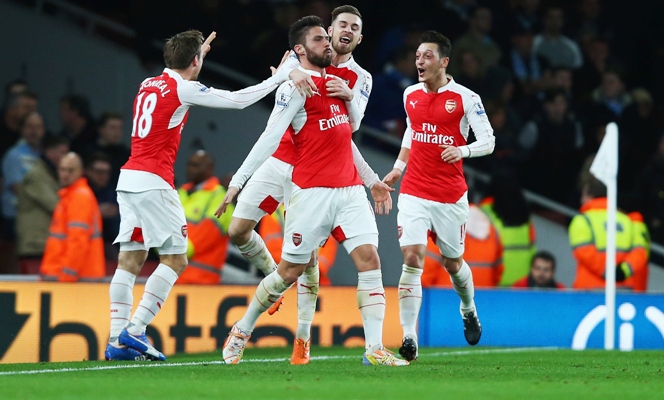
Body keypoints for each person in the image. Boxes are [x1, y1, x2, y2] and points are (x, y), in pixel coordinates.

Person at [105, 29, 313, 362]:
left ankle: (116, 338)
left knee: (131, 258)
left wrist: (194, 56)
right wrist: (280, 77)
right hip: (154, 181)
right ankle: (137, 329)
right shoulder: (183, 87)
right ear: (195, 61)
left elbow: (181, 71)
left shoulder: (148, 84)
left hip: (127, 179)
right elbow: (238, 100)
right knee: (175, 258)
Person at [216, 15, 407, 367]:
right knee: (289, 271)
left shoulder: (340, 83)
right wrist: (238, 182)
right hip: (310, 189)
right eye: (322, 39)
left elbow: (345, 140)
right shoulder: (297, 86)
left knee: (370, 260)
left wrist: (372, 181)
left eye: (328, 38)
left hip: (348, 190)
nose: (329, 43)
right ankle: (242, 329)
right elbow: (269, 137)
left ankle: (374, 349)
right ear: (308, 46)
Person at [382, 30, 495, 362]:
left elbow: (488, 141)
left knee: (453, 263)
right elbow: (412, 131)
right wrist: (398, 168)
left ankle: (468, 308)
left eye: (427, 56)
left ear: (444, 62)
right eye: (417, 56)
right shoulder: (411, 94)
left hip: (449, 195)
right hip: (415, 190)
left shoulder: (466, 98)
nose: (419, 61)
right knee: (413, 257)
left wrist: (461, 150)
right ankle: (408, 337)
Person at [569, 177, 648, 291]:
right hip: (622, 287)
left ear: (588, 195)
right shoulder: (627, 221)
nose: (581, 199)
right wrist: (623, 271)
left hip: (589, 287)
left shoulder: (582, 220)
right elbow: (640, 252)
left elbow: (584, 251)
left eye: (582, 195)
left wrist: (607, 271)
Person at [40, 152, 105, 281]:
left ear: (80, 172)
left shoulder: (79, 197)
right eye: (62, 169)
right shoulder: (69, 196)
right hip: (70, 275)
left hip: (76, 278)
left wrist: (67, 275)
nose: (65, 174)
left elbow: (78, 240)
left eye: (70, 170)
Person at [176, 150, 233, 284]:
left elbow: (206, 234)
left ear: (210, 168)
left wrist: (170, 251)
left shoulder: (221, 198)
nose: (190, 169)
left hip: (202, 281)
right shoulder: (180, 192)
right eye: (189, 164)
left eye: (196, 165)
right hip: (172, 277)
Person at [16, 136, 69, 273]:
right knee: (34, 290)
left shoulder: (50, 174)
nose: (65, 158)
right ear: (49, 152)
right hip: (35, 245)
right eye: (62, 153)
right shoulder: (37, 175)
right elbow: (55, 205)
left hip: (45, 244)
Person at [1, 111, 45, 268]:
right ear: (22, 130)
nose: (34, 131)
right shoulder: (14, 155)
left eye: (38, 127)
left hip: (38, 220)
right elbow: (17, 188)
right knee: (15, 266)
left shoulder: (44, 154)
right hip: (15, 218)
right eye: (29, 127)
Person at [421, 203, 503, 288]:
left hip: (444, 297)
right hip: (482, 298)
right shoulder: (492, 231)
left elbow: (426, 273)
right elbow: (497, 274)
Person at [479, 171, 536, 286]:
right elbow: (532, 247)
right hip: (522, 280)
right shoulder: (526, 216)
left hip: (496, 278)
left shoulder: (484, 212)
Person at [259, 204, 338, 286]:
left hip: (317, 283)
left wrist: (311, 268)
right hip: (283, 283)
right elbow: (271, 247)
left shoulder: (321, 211)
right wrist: (298, 267)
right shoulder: (275, 212)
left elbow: (328, 249)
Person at [84, 152, 120, 259]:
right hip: (85, 242)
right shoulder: (81, 190)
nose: (103, 176)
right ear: (88, 171)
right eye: (99, 172)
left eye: (107, 172)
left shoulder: (112, 192)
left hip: (109, 243)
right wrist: (97, 212)